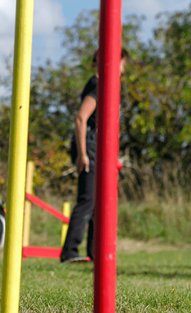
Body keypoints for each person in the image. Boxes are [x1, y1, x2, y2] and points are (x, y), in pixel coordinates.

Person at [60, 48, 129, 264]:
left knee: (100, 202)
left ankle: (94, 252)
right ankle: (69, 253)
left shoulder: (106, 86)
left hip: (100, 147)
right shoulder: (97, 84)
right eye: (121, 65)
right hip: (90, 146)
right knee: (88, 200)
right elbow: (81, 118)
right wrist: (83, 154)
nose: (122, 70)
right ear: (107, 61)